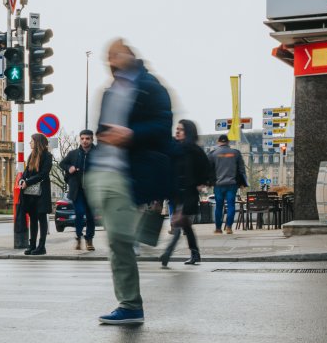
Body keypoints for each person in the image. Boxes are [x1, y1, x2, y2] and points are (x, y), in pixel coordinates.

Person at [85, 38, 173, 326]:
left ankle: (131, 305)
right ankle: (141, 229)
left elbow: (163, 125)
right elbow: (101, 129)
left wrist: (131, 134)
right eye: (108, 56)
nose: (111, 59)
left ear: (130, 55)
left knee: (119, 240)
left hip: (129, 170)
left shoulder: (150, 87)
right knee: (118, 238)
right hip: (106, 169)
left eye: (116, 53)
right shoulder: (109, 92)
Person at [160, 119, 214, 267]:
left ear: (188, 132)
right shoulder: (174, 148)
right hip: (176, 193)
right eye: (176, 129)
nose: (177, 131)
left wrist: (202, 183)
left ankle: (167, 253)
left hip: (189, 193)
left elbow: (207, 169)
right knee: (184, 224)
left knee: (178, 221)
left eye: (181, 129)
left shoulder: (195, 150)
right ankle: (195, 253)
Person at [62, 130, 98, 251]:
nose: (84, 141)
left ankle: (89, 239)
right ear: (80, 139)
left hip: (92, 190)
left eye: (87, 138)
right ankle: (78, 237)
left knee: (90, 216)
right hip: (77, 190)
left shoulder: (98, 153)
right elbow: (62, 164)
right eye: (82, 138)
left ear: (92, 139)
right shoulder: (74, 153)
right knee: (79, 213)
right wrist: (69, 168)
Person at [18, 132, 53, 256]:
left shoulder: (48, 156)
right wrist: (22, 180)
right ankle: (32, 245)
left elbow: (43, 174)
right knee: (33, 218)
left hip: (42, 192)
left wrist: (28, 181)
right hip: (30, 193)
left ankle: (41, 246)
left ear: (37, 142)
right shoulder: (31, 155)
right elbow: (26, 171)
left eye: (32, 141)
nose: (30, 143)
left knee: (41, 218)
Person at [209, 134, 247, 234]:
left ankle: (218, 228)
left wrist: (209, 182)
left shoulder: (213, 154)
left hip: (218, 184)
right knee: (231, 205)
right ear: (228, 142)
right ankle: (229, 227)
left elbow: (209, 169)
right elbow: (241, 169)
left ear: (218, 141)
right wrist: (243, 183)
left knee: (219, 206)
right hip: (232, 184)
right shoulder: (236, 153)